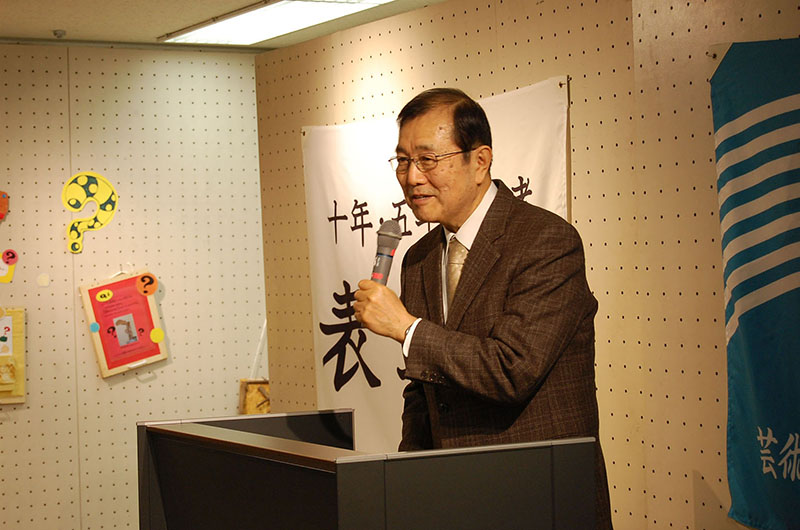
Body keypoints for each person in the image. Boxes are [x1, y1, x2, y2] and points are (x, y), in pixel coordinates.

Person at [353, 87, 612, 528]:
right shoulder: (418, 259)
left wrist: (407, 329)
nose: (411, 177)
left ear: (480, 161)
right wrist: (407, 484)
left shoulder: (546, 241)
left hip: (539, 493)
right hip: (453, 496)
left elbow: (513, 370)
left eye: (428, 160)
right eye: (402, 160)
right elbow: (422, 391)